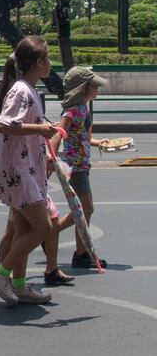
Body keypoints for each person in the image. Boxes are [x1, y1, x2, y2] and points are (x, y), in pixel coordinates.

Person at [0, 36, 58, 305]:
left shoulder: (27, 88)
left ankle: (19, 285)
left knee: (22, 227)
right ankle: (1, 274)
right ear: (39, 63)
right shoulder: (22, 90)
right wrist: (40, 129)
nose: (50, 63)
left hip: (26, 167)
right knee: (43, 228)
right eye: (48, 58)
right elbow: (4, 125)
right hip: (19, 170)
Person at [47, 66, 109, 273]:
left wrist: (99, 143)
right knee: (85, 209)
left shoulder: (84, 109)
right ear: (83, 89)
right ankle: (52, 232)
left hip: (83, 165)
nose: (97, 90)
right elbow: (59, 133)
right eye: (94, 86)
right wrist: (51, 157)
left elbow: (84, 138)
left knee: (83, 210)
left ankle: (81, 254)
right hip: (75, 167)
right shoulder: (73, 111)